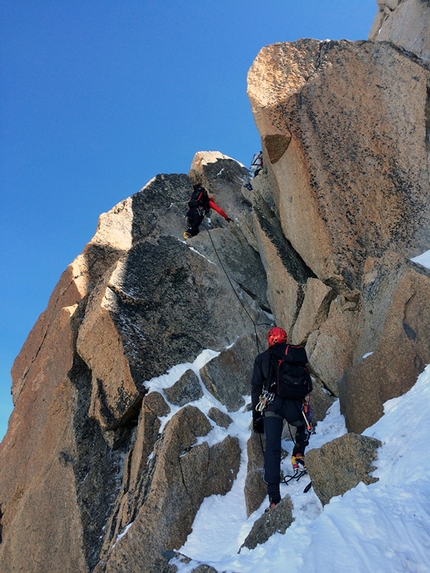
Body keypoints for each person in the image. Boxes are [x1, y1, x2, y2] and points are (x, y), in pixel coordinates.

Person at [251, 326, 312, 510]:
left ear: (270, 340)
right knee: (304, 425)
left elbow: (255, 388)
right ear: (284, 340)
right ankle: (298, 454)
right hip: (294, 405)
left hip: (272, 406)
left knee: (272, 449)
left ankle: (274, 498)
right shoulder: (292, 355)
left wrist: (256, 417)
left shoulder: (262, 359)